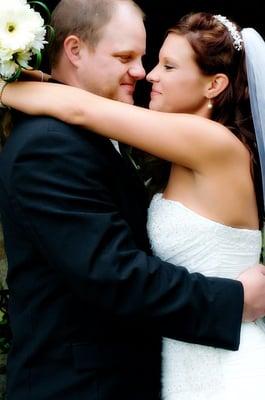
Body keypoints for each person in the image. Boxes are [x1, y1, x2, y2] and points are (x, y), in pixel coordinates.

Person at [1, 2, 265, 399]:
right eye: (128, 57)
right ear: (74, 50)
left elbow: (77, 106)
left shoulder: (208, 143)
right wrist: (231, 302)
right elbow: (113, 273)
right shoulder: (50, 144)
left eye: (164, 65)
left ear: (215, 85)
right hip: (97, 381)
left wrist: (11, 87)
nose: (146, 74)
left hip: (213, 361)